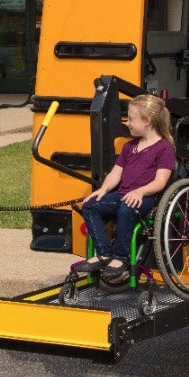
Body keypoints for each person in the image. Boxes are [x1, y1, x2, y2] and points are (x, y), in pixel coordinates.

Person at [75, 93, 176, 278]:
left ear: (147, 121)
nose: (127, 123)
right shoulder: (129, 147)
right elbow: (116, 173)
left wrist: (139, 191)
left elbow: (160, 182)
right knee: (90, 206)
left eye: (131, 119)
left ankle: (120, 257)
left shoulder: (164, 149)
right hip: (122, 195)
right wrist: (103, 190)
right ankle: (104, 253)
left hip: (145, 198)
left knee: (126, 208)